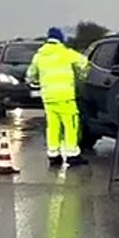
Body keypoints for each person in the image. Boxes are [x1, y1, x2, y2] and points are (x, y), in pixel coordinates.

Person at [26, 27, 89, 167]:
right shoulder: (66, 53)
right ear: (60, 39)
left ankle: (53, 155)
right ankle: (72, 154)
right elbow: (84, 63)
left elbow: (30, 75)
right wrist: (81, 75)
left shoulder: (39, 56)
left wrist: (37, 82)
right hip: (65, 96)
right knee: (71, 124)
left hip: (48, 97)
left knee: (53, 126)